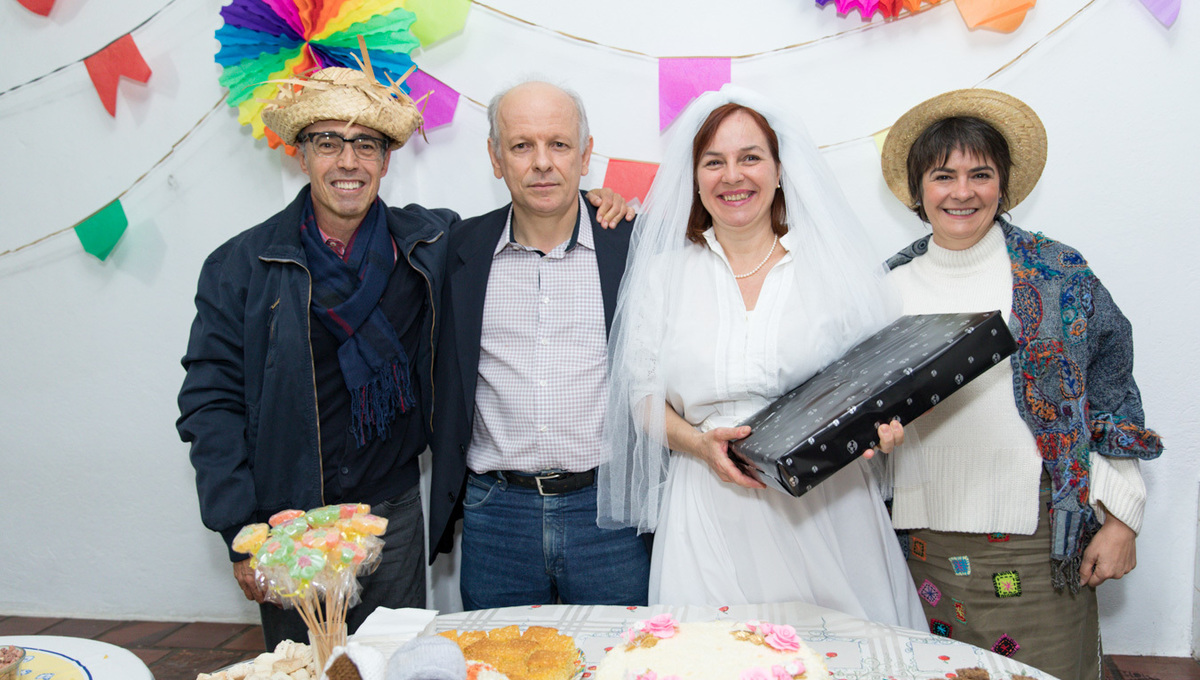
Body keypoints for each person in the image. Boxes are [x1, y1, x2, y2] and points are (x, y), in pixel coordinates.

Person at [598, 86, 925, 629]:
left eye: (750, 157)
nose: (733, 176)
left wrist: (884, 427)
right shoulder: (664, 276)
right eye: (714, 162)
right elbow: (642, 398)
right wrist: (699, 445)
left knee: (842, 675)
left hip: (827, 509)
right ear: (694, 177)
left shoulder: (834, 270)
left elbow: (878, 385)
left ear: (779, 169)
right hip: (707, 508)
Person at [878, 88, 1163, 680]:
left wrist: (1122, 521)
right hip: (921, 549)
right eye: (943, 175)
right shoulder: (883, 290)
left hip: (1041, 547)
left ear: (1003, 186)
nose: (962, 192)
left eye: (980, 174)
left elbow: (1111, 391)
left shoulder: (1058, 275)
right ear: (916, 188)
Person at [177, 64, 452, 650]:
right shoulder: (241, 267)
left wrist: (598, 203)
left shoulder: (429, 245)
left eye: (364, 144)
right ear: (300, 154)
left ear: (385, 159)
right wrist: (242, 533)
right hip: (289, 527)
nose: (347, 162)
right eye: (328, 142)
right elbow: (211, 403)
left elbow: (526, 226)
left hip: (392, 516)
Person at [428, 81, 645, 610]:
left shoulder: (632, 243)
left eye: (560, 144)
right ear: (495, 157)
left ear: (586, 154)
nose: (542, 163)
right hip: (496, 516)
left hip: (609, 513)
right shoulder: (459, 248)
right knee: (498, 677)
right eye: (522, 145)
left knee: (617, 674)